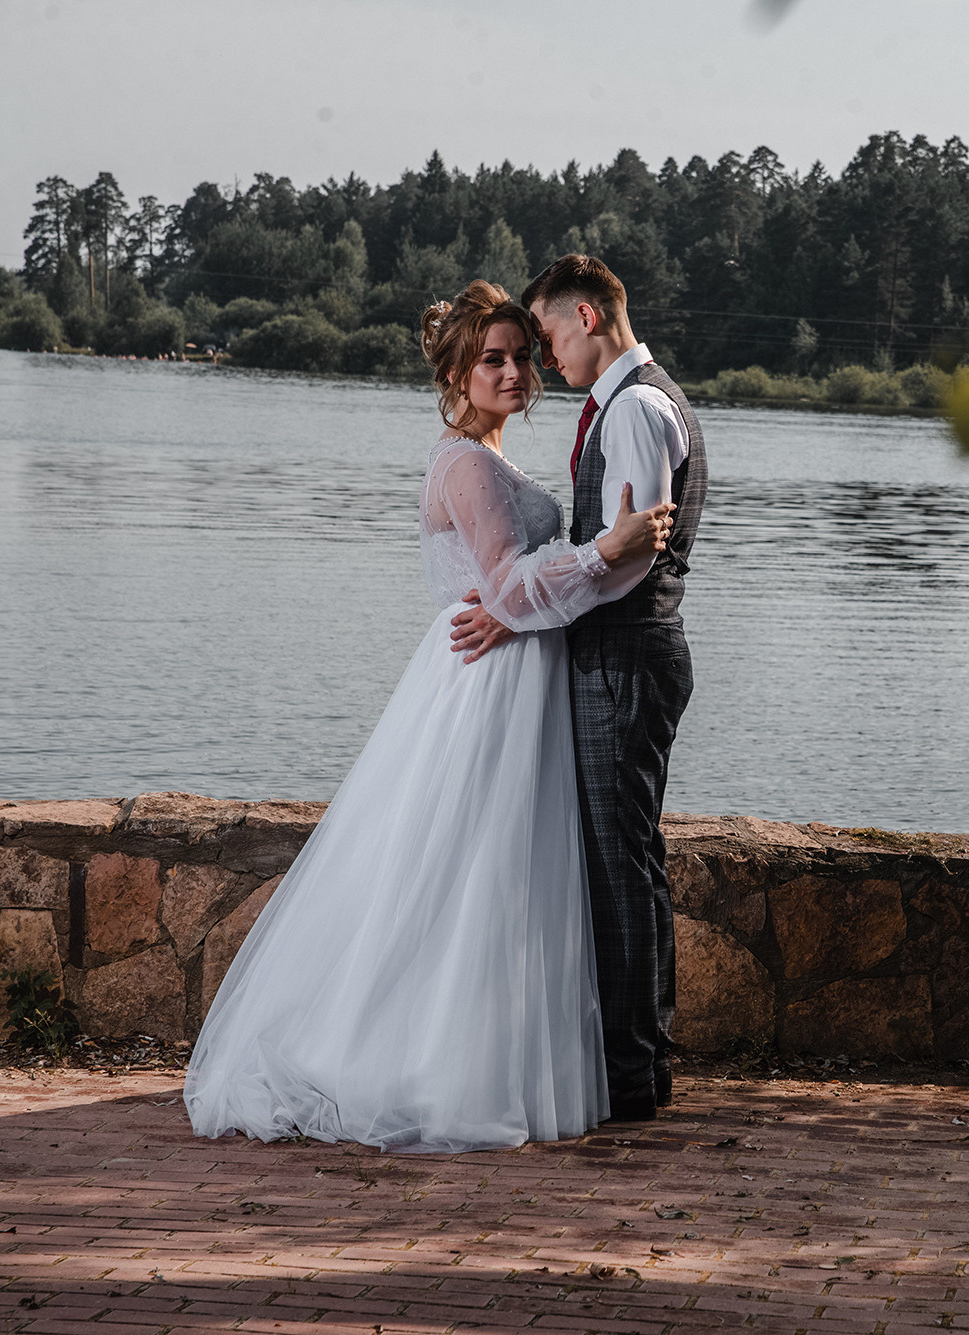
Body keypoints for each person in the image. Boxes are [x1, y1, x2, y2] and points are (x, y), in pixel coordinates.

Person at [183, 280, 675, 1153]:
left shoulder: (497, 462)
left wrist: (531, 589)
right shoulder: (464, 464)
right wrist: (603, 547)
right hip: (486, 685)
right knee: (467, 873)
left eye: (523, 355)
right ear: (457, 371)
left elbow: (516, 587)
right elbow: (510, 586)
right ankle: (429, 1064)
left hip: (521, 673)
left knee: (510, 878)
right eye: (494, 359)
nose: (516, 371)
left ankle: (499, 1054)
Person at [448, 255, 706, 1123]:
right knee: (618, 859)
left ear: (588, 318)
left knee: (620, 865)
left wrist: (517, 608)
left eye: (550, 336)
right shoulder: (636, 400)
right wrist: (521, 603)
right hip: (619, 655)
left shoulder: (633, 407)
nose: (545, 361)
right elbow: (609, 553)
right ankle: (633, 1060)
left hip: (625, 657)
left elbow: (625, 565)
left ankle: (633, 1068)